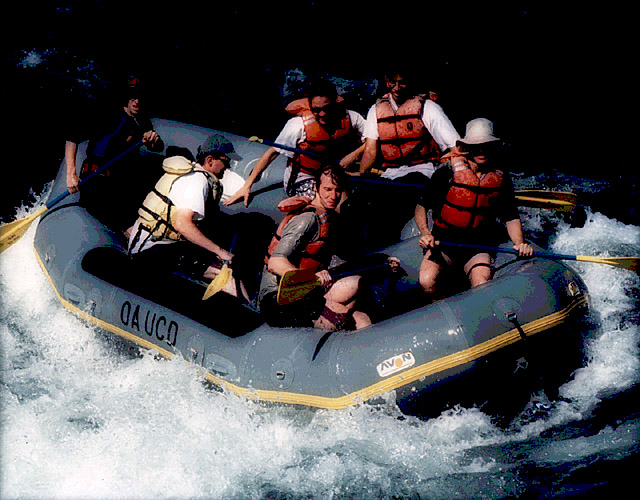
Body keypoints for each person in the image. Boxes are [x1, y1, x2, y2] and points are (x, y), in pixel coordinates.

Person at [414, 118, 533, 297]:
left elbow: (510, 216)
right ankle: (439, 307)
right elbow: (421, 206)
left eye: (486, 146)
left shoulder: (501, 177)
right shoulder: (446, 172)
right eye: (477, 146)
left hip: (478, 247)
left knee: (481, 284)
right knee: (427, 280)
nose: (482, 151)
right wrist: (425, 233)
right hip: (444, 243)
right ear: (467, 147)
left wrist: (519, 243)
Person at [348, 69, 462, 252]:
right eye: (392, 82)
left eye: (402, 83)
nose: (397, 88)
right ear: (386, 81)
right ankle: (353, 251)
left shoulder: (427, 107)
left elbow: (453, 145)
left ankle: (385, 252)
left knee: (391, 201)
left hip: (422, 171)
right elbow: (370, 149)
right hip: (390, 174)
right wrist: (363, 176)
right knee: (357, 201)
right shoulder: (376, 110)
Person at [128, 134, 246, 299]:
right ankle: (241, 311)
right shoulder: (197, 181)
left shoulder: (196, 175)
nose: (228, 167)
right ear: (210, 160)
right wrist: (221, 252)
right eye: (226, 161)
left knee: (221, 265)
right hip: (151, 250)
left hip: (159, 245)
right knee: (226, 275)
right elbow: (182, 225)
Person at [258, 165, 371, 331]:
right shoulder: (307, 219)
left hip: (307, 292)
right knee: (361, 320)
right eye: (328, 189)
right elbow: (275, 262)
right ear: (315, 187)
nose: (333, 196)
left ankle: (332, 328)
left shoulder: (327, 217)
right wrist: (310, 277)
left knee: (357, 284)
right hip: (277, 299)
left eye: (338, 190)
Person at [224, 79, 366, 207]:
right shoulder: (297, 126)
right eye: (316, 110)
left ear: (335, 102)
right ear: (310, 106)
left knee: (346, 205)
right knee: (324, 206)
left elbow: (372, 139)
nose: (322, 114)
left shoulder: (351, 118)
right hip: (304, 176)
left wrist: (355, 154)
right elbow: (271, 154)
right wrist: (247, 186)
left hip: (333, 175)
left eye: (327, 108)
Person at [65, 77, 164, 232]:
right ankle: (129, 231)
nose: (136, 102)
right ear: (126, 97)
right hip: (97, 181)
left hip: (121, 181)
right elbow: (72, 137)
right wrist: (71, 174)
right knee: (124, 220)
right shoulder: (107, 115)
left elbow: (157, 147)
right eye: (133, 97)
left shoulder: (143, 121)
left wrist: (153, 141)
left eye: (139, 97)